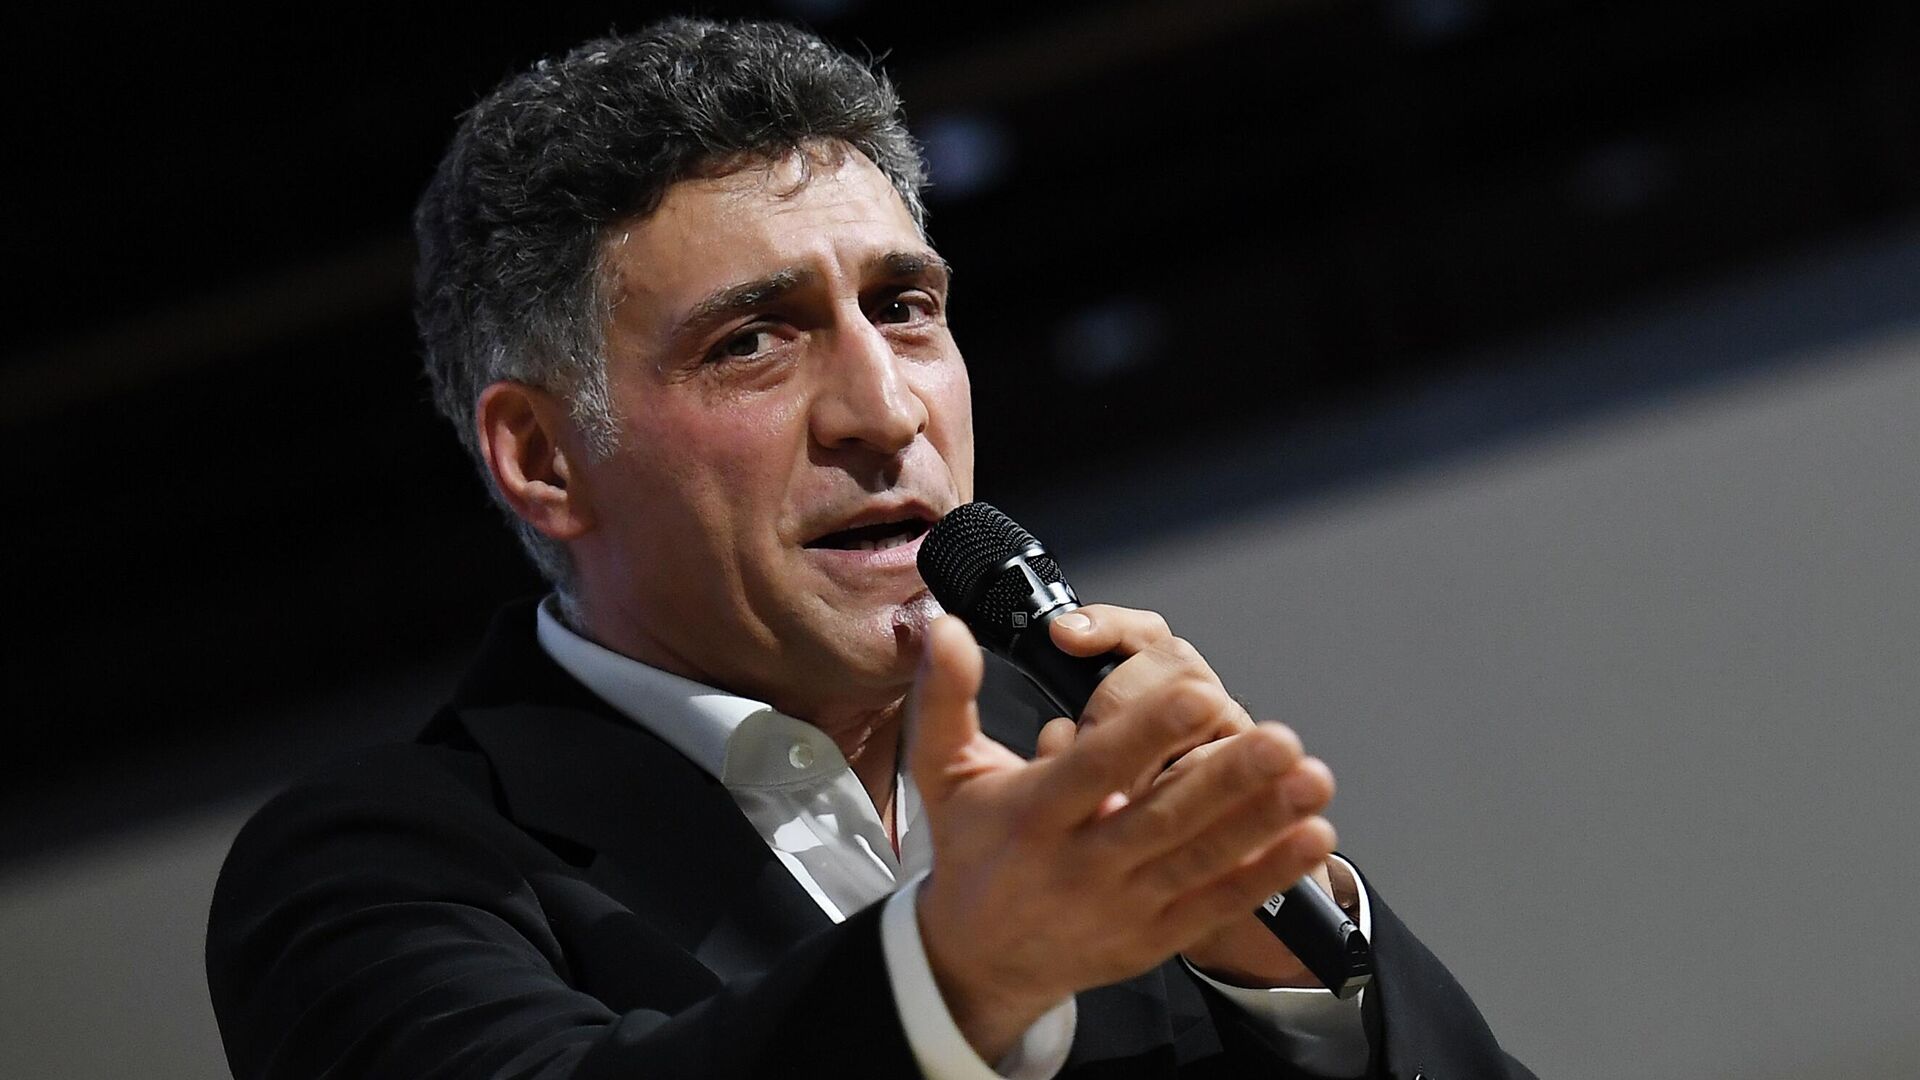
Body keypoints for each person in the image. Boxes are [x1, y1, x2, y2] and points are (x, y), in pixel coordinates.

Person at [207, 18, 1531, 1079]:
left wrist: (1293, 982)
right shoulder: (378, 869)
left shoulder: (1084, 767)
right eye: (752, 341)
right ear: (545, 458)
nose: (885, 410)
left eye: (903, 309)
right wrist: (955, 977)